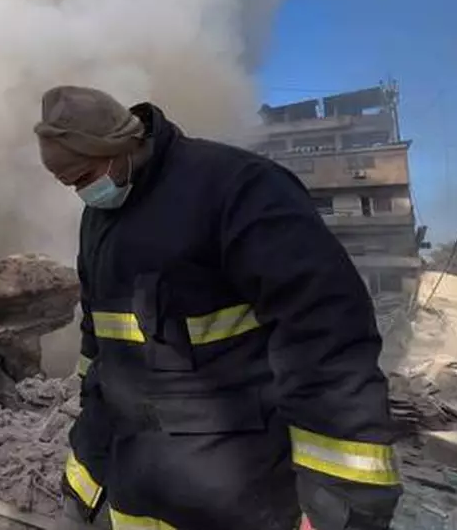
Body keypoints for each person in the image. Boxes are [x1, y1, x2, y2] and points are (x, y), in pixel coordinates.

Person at [35, 86, 401, 530]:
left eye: (84, 177)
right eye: (70, 185)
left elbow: (326, 338)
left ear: (119, 145)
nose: (83, 192)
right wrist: (85, 480)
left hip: (240, 496)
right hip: (138, 493)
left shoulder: (237, 188)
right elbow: (101, 363)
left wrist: (340, 500)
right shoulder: (99, 223)